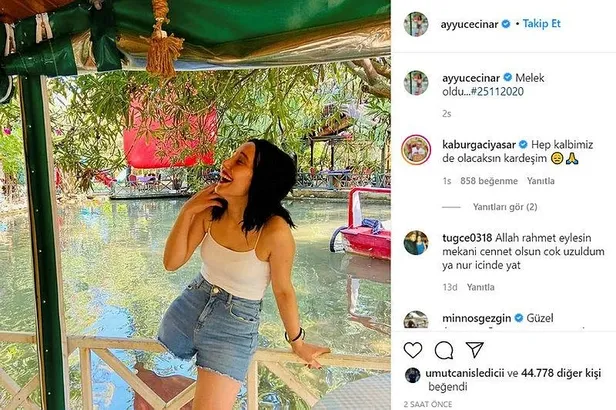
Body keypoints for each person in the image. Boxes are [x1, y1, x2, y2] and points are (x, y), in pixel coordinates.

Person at [159, 139, 330, 409]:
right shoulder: (211, 211)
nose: (226, 164)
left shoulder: (275, 231)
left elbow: (283, 290)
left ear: (261, 180)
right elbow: (171, 262)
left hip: (234, 326)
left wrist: (297, 342)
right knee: (150, 380)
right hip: (189, 307)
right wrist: (188, 209)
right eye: (232, 156)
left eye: (240, 161)